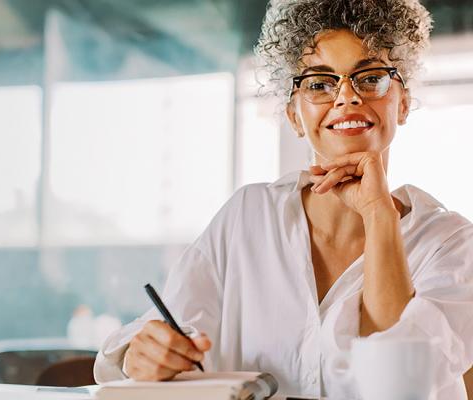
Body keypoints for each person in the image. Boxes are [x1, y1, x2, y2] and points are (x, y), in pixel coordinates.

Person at [93, 0, 473, 398]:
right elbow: (161, 330)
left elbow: (400, 383)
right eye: (319, 84)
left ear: (403, 103)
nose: (346, 97)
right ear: (294, 115)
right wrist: (142, 356)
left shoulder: (453, 245)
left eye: (371, 77)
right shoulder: (247, 217)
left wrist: (379, 215)